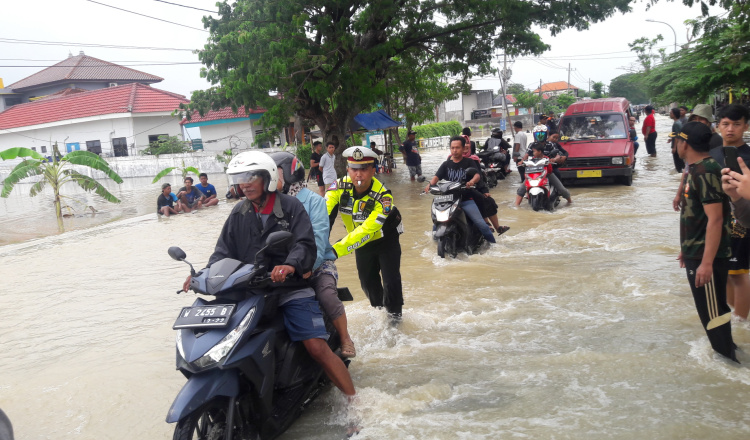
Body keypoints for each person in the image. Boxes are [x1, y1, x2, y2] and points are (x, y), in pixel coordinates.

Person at [184, 151, 357, 397]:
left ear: (268, 177)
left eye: (251, 176)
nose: (245, 184)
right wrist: (201, 276)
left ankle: (354, 401)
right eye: (241, 178)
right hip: (250, 290)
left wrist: (290, 265)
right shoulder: (238, 213)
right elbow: (222, 252)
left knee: (316, 347)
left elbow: (306, 244)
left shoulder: (291, 206)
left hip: (289, 288)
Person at [270, 152, 357, 357]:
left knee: (326, 295)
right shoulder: (270, 204)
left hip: (317, 264)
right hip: (281, 267)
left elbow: (317, 241)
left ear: (290, 175)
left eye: (276, 172)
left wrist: (305, 266)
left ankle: (345, 338)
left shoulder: (315, 202)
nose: (271, 178)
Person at [674, 121, 737, 362]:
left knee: (714, 314)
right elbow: (697, 216)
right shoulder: (697, 168)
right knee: (711, 312)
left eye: (677, 141)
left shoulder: (706, 172)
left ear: (685, 143)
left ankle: (730, 364)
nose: (675, 146)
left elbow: (716, 219)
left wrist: (707, 262)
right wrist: (686, 248)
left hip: (706, 256)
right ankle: (729, 355)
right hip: (697, 251)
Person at [326, 146, 405, 322]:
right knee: (367, 282)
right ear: (347, 170)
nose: (358, 174)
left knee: (391, 282)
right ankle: (379, 311)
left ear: (373, 170)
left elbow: (367, 230)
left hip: (385, 240)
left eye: (364, 169)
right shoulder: (338, 187)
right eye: (354, 169)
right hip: (359, 242)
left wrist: (336, 250)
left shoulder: (384, 197)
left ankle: (395, 319)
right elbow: (324, 215)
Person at [713, 104, 750, 321]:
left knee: (739, 272)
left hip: (741, 221)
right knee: (724, 273)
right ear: (718, 126)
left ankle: (741, 321)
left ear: (746, 126)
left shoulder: (747, 156)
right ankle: (731, 314)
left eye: (736, 124)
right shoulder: (712, 154)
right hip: (717, 220)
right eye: (725, 124)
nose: (730, 129)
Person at [425, 136, 497, 243]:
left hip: (465, 199)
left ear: (463, 148)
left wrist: (472, 181)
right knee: (436, 225)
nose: (454, 150)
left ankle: (494, 245)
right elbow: (436, 177)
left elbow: (477, 175)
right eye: (452, 148)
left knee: (481, 224)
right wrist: (429, 186)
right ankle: (436, 244)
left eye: (457, 148)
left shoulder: (469, 162)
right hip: (448, 200)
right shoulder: (446, 164)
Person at [515, 125, 572, 205]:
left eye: (542, 134)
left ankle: (570, 201)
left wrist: (554, 159)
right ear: (535, 135)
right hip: (534, 171)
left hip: (547, 171)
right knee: (521, 189)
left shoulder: (550, 144)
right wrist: (521, 161)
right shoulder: (532, 145)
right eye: (538, 134)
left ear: (546, 134)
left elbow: (558, 155)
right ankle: (516, 206)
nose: (540, 136)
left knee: (561, 189)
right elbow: (526, 155)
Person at [669, 108, 685, 172]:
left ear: (674, 114)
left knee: (678, 165)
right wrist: (671, 139)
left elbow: (677, 137)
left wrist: (674, 147)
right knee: (681, 163)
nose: (670, 114)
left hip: (677, 146)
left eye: (671, 113)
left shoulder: (676, 124)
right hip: (680, 145)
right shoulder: (679, 122)